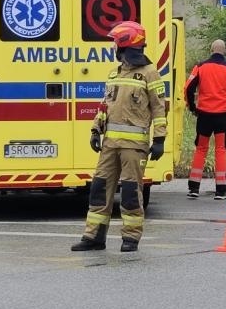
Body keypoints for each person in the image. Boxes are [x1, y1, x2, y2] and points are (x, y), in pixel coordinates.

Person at [71, 21, 168, 252]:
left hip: (134, 146)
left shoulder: (149, 73)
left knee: (130, 192)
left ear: (125, 45)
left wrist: (159, 139)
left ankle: (131, 238)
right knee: (99, 188)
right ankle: (93, 236)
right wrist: (96, 129)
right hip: (110, 145)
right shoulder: (114, 74)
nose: (114, 47)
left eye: (116, 42)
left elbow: (158, 108)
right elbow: (105, 105)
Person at [184, 39, 226, 200]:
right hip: (223, 116)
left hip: (204, 114)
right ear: (224, 51)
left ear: (211, 50)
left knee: (201, 149)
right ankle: (220, 190)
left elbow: (188, 87)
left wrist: (192, 107)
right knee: (221, 150)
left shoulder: (200, 67)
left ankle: (193, 188)